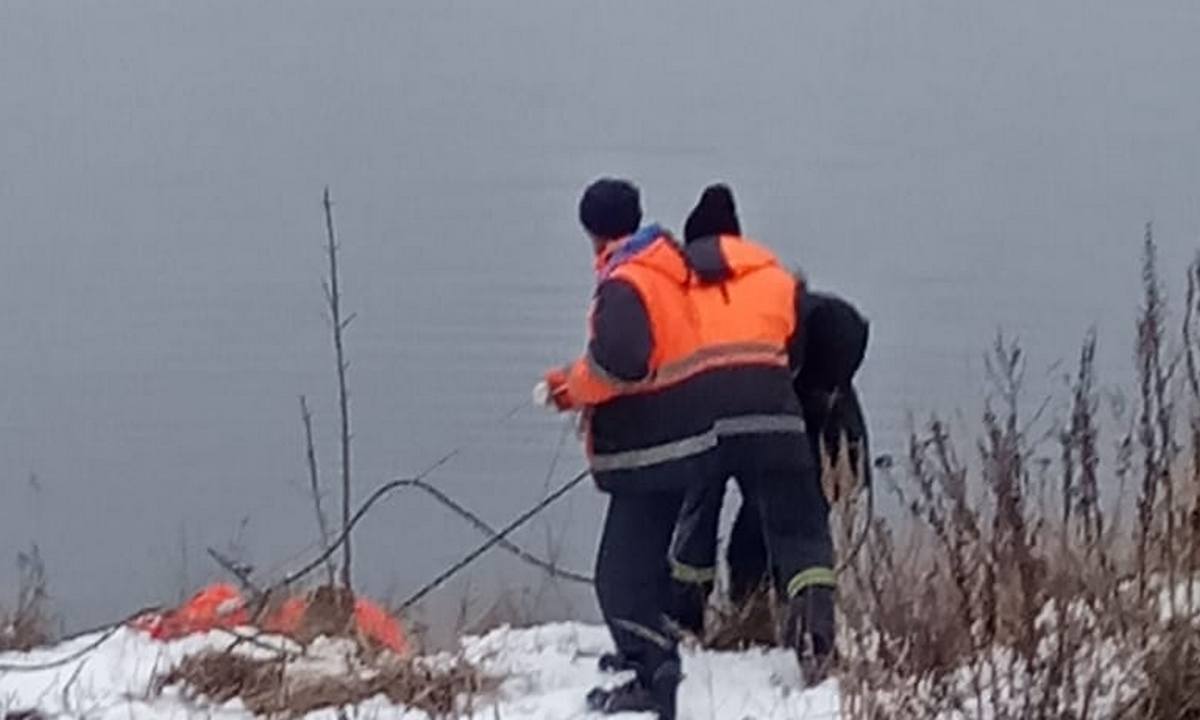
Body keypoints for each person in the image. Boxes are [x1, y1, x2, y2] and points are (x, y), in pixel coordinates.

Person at [665, 184, 868, 684]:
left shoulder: (674, 289)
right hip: (775, 422)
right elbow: (840, 325)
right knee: (801, 533)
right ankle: (814, 645)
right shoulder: (775, 283)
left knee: (694, 521)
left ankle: (680, 629)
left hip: (703, 425)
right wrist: (819, 393)